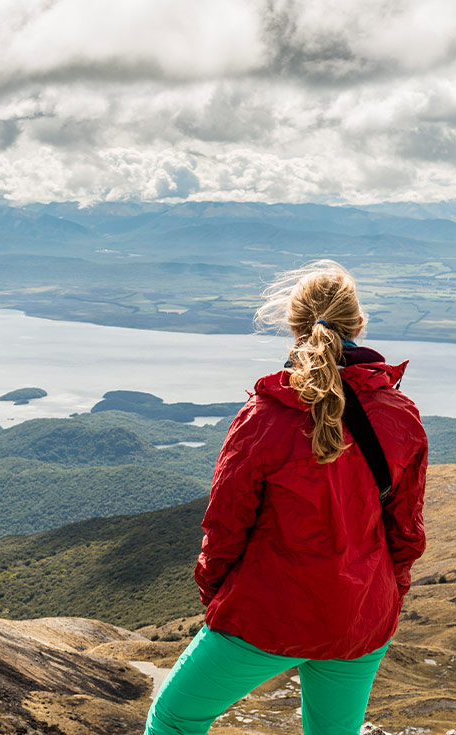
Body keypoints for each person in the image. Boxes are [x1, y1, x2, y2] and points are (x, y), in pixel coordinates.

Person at [144, 259, 428, 735]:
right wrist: (385, 596)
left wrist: (219, 600)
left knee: (174, 719)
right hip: (359, 617)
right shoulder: (400, 416)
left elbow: (225, 525)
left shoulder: (264, 417)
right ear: (359, 325)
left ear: (293, 327)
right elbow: (406, 531)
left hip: (266, 613)